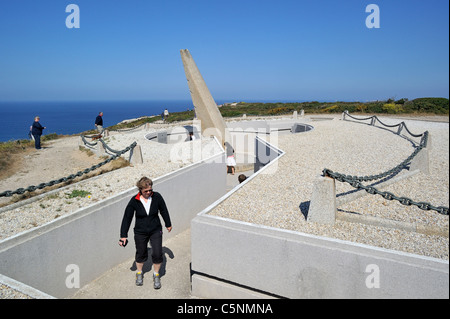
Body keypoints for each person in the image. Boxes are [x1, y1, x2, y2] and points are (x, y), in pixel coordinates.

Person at [119, 177, 172, 289]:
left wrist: (168, 223)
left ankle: (156, 274)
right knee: (141, 253)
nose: (148, 193)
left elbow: (163, 210)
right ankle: (139, 273)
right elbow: (127, 218)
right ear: (140, 190)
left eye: (150, 190)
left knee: (157, 253)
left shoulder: (157, 196)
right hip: (140, 232)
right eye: (146, 191)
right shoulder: (134, 201)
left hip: (155, 230)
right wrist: (123, 235)